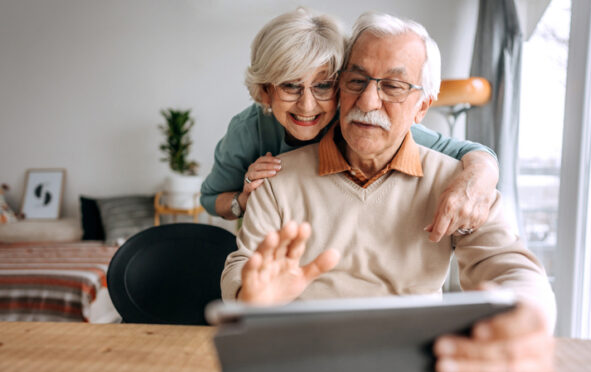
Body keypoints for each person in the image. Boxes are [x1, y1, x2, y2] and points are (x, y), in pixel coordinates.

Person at [222, 12, 556, 372]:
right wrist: (251, 296)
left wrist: (528, 318)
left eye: (394, 86)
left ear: (422, 107)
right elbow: (243, 267)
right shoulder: (277, 179)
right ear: (341, 87)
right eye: (357, 80)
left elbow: (510, 265)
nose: (368, 100)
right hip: (304, 370)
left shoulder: (457, 186)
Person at [200, 8, 500, 242]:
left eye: (323, 86)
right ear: (266, 90)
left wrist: (476, 182)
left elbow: (473, 153)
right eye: (291, 86)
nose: (307, 106)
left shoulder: (359, 121)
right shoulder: (248, 129)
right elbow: (211, 199)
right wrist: (244, 199)